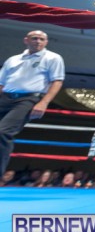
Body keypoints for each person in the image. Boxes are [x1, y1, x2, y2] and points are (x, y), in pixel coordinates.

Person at [0, 30, 65, 175]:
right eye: (34, 38)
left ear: (46, 42)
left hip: (28, 99)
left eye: (42, 39)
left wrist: (44, 102)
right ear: (26, 40)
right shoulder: (13, 59)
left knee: (3, 132)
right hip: (5, 97)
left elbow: (57, 81)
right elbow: (1, 83)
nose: (38, 41)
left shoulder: (53, 58)